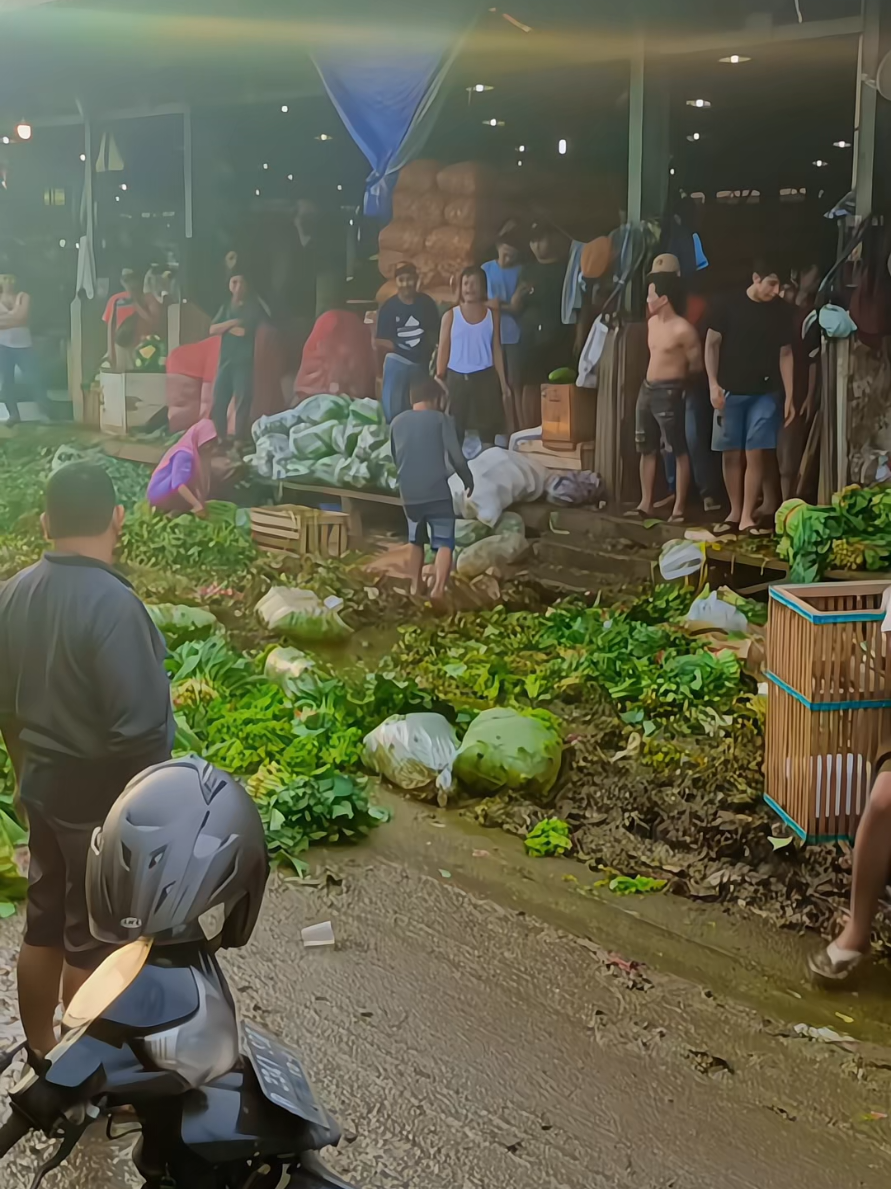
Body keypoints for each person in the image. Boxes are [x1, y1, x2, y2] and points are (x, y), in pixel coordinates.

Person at [0, 463, 173, 1059]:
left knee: (43, 924)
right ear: (118, 519)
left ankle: (43, 1053)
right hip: (100, 805)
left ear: (46, 523)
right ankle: (87, 1071)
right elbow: (144, 733)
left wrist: (25, 781)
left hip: (42, 792)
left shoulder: (14, 593)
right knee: (92, 942)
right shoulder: (115, 607)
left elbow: (6, 709)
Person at [705, 260, 795, 536]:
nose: (776, 291)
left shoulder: (780, 310)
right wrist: (713, 383)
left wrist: (790, 395)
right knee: (731, 453)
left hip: (765, 393)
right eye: (771, 284)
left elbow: (785, 353)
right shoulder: (727, 304)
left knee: (756, 453)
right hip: (730, 390)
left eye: (780, 285)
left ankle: (747, 517)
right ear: (756, 279)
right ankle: (734, 511)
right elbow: (711, 343)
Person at [390, 376, 473, 600]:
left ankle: (415, 587)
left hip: (408, 494)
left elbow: (395, 457)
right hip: (436, 491)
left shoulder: (396, 423)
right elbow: (457, 457)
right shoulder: (441, 420)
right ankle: (437, 590)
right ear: (435, 398)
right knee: (444, 540)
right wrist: (468, 480)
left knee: (415, 540)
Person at [631, 273, 702, 523]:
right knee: (646, 446)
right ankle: (645, 502)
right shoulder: (651, 324)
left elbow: (696, 365)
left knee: (677, 448)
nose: (648, 299)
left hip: (671, 390)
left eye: (651, 294)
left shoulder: (684, 330)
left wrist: (683, 386)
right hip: (647, 388)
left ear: (663, 298)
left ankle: (679, 507)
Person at [435, 266, 509, 448]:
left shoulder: (493, 315)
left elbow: (496, 349)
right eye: (466, 283)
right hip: (456, 377)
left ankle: (487, 467)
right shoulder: (451, 315)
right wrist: (439, 375)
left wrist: (503, 382)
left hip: (485, 377)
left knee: (487, 430)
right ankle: (454, 471)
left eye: (475, 283)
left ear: (483, 287)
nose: (470, 288)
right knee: (455, 428)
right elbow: (444, 347)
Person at [516, 223, 574, 429]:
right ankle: (527, 431)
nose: (537, 245)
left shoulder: (566, 269)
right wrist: (518, 297)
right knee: (529, 386)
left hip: (558, 337)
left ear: (553, 238)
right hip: (530, 338)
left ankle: (553, 430)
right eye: (532, 241)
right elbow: (516, 306)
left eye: (541, 239)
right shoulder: (527, 270)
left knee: (556, 386)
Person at [374, 262, 441, 422]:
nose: (406, 284)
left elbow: (436, 336)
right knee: (393, 411)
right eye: (401, 280)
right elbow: (380, 342)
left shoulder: (427, 304)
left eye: (409, 279)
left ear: (417, 280)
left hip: (422, 363)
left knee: (423, 413)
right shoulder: (389, 308)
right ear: (396, 282)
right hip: (398, 361)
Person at [210, 273, 267, 446]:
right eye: (234, 282)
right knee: (219, 399)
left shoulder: (253, 306)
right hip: (225, 360)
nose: (238, 286)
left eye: (242, 282)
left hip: (243, 362)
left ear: (247, 285)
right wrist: (234, 322)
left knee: (242, 400)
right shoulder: (226, 305)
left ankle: (239, 440)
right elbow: (212, 328)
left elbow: (244, 331)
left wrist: (225, 327)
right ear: (229, 285)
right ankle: (219, 437)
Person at [147, 419, 237, 515]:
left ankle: (177, 509)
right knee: (189, 496)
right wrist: (196, 505)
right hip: (160, 492)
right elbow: (179, 484)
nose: (210, 446)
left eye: (212, 442)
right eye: (207, 442)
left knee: (191, 492)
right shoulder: (184, 454)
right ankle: (172, 510)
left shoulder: (195, 454)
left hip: (170, 489)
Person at [482, 231, 525, 434]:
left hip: (513, 333)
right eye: (505, 254)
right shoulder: (485, 269)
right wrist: (506, 305)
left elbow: (518, 307)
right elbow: (482, 303)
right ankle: (499, 427)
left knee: (515, 383)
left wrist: (499, 305)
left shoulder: (521, 272)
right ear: (498, 247)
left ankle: (517, 428)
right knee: (494, 383)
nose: (507, 259)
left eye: (512, 256)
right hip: (490, 334)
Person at [0, 274, 54, 424]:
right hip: (3, 346)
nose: (8, 282)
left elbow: (23, 318)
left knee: (34, 379)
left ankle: (45, 413)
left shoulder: (23, 297)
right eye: (4, 278)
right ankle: (13, 415)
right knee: (7, 381)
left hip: (24, 346)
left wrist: (7, 321)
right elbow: (18, 319)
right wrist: (15, 320)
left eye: (10, 278)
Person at [102, 268, 163, 373]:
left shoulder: (149, 299)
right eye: (126, 280)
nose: (130, 283)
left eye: (132, 279)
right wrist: (111, 354)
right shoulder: (116, 300)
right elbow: (111, 329)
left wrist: (136, 302)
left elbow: (154, 322)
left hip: (144, 348)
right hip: (121, 347)